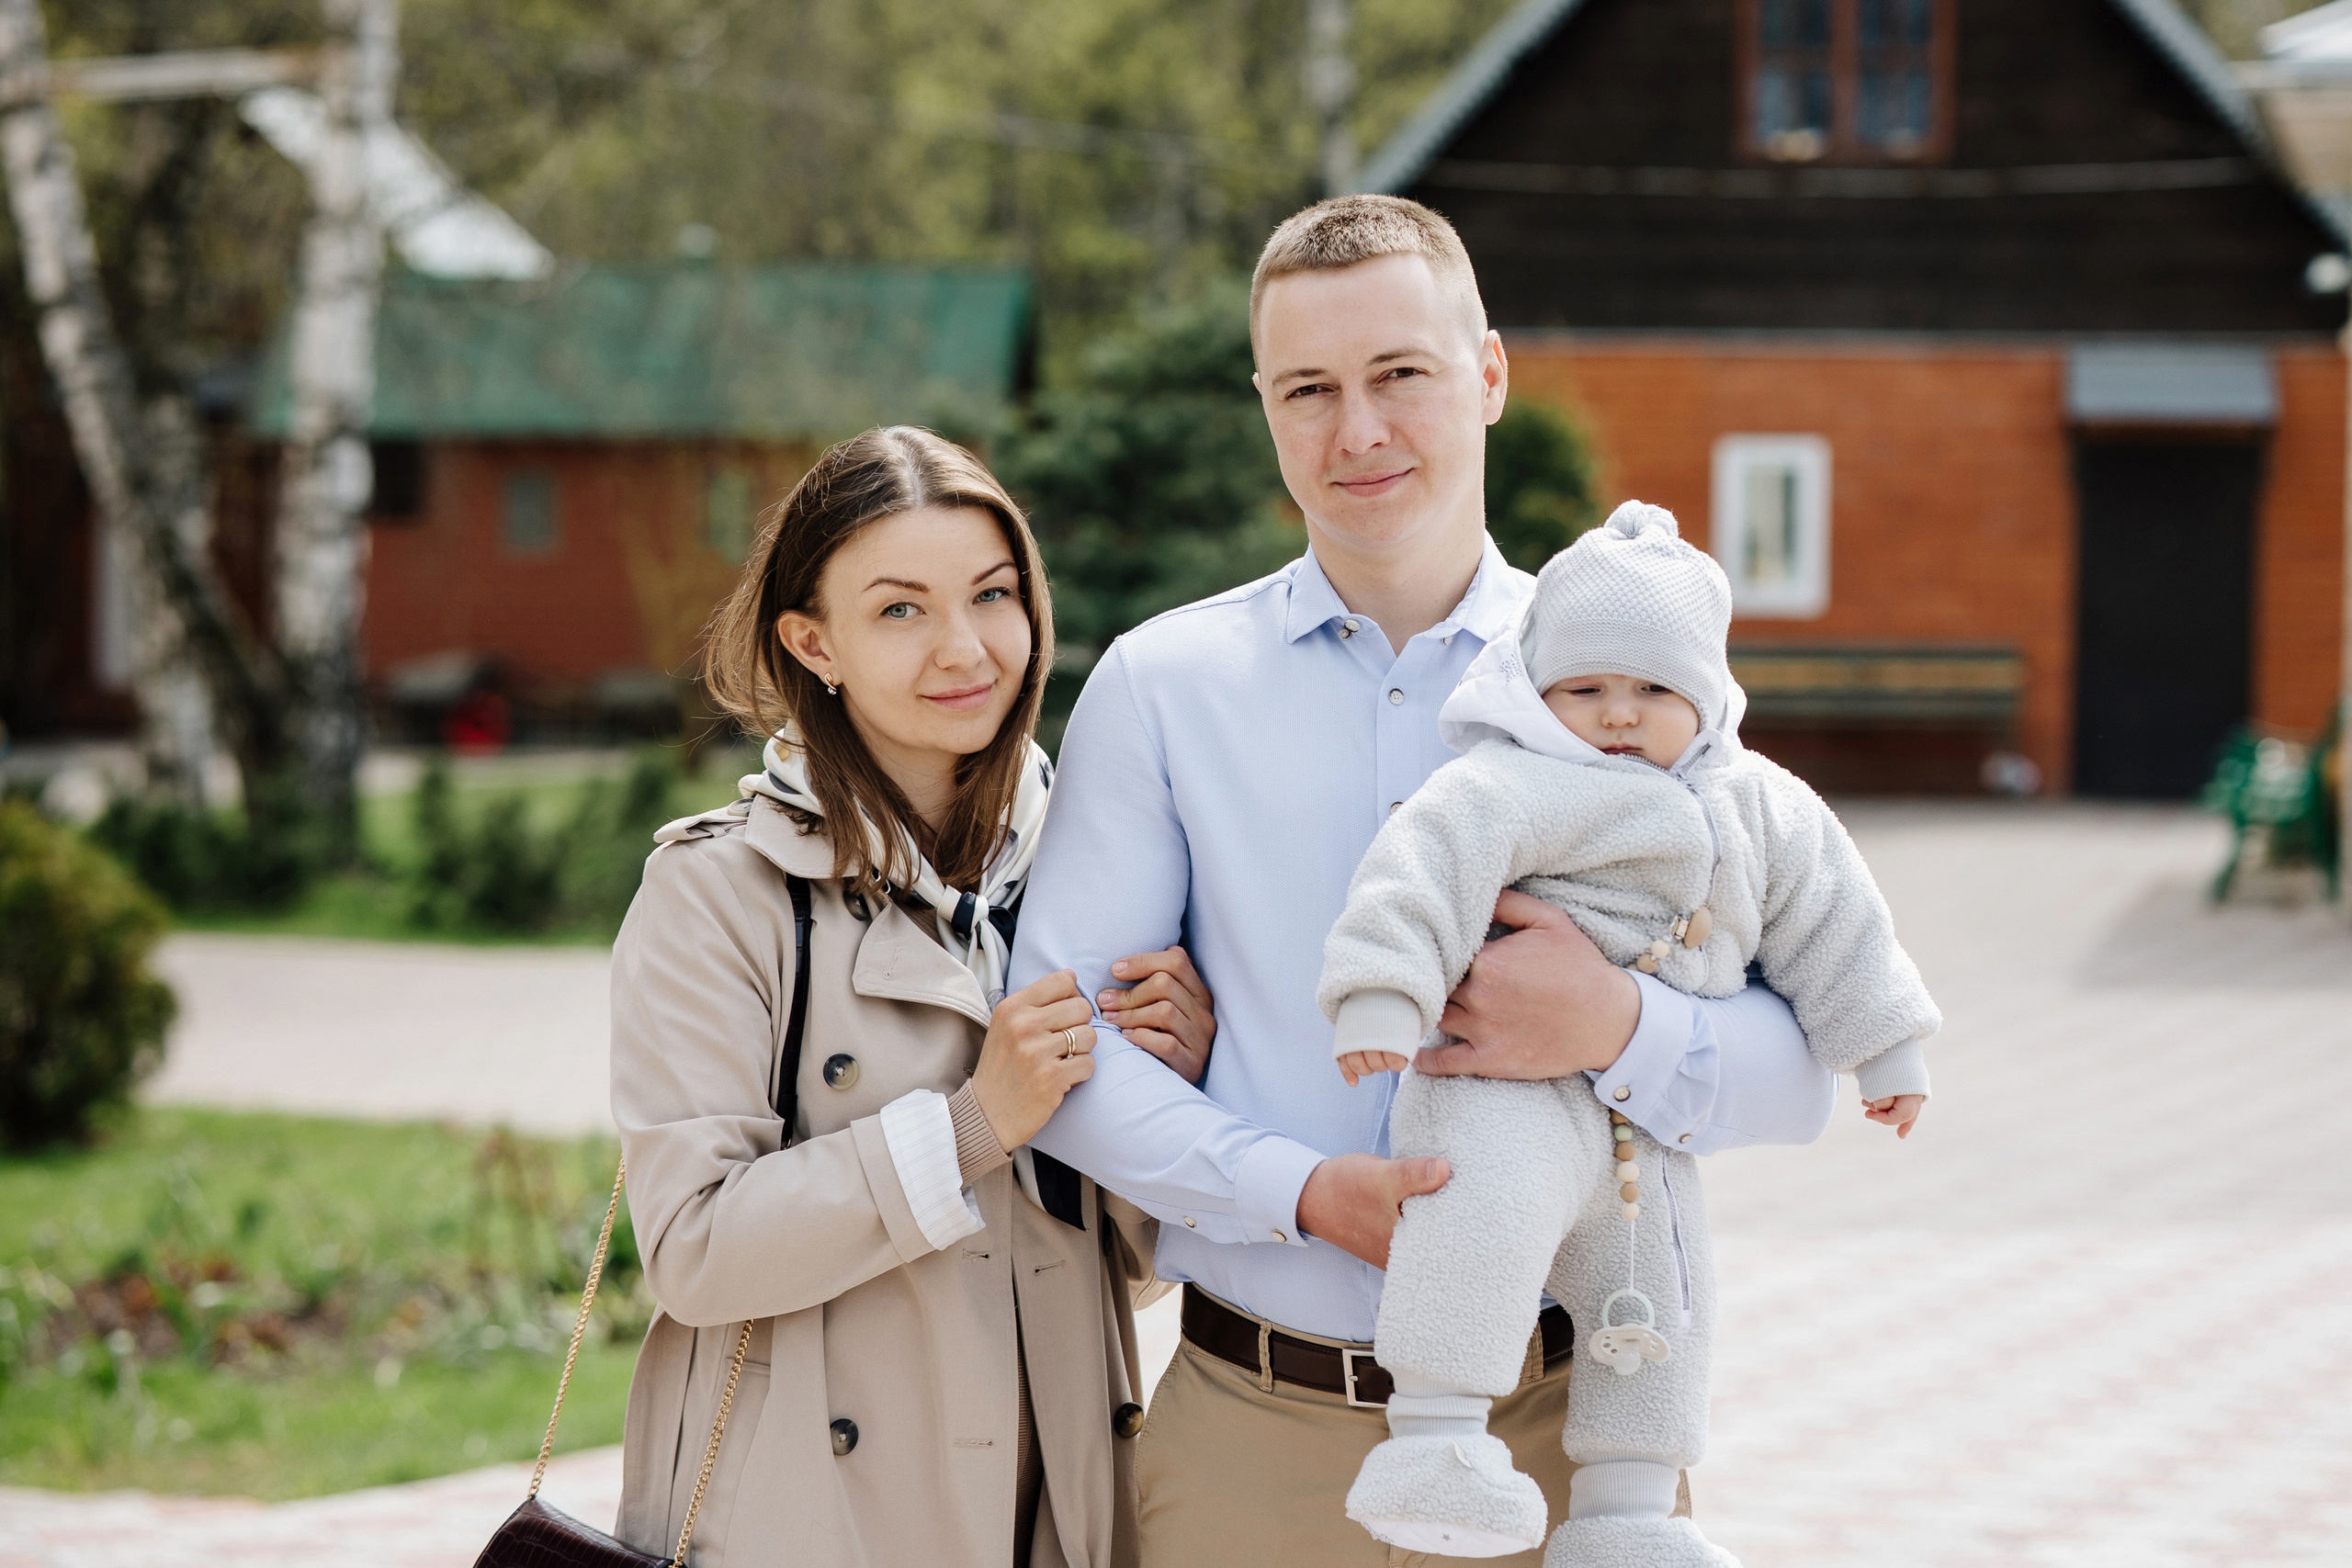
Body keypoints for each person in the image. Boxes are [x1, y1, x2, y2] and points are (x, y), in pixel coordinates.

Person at [1007, 195, 1843, 1566]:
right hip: (1249, 1442)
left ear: (1490, 377)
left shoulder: (1643, 686)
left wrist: (1616, 1027)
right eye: (1308, 389)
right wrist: (1299, 1186)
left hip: (1571, 1439)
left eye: (1401, 374)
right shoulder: (1164, 687)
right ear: (1266, 406)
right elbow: (1065, 1054)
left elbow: (1803, 1068)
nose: (1358, 431)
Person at [605, 426, 1219, 1568]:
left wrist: (1173, 1080)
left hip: (1056, 1496)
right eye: (899, 609)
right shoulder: (721, 895)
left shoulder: (1087, 872)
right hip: (814, 1518)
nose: (964, 648)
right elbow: (691, 1251)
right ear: (812, 640)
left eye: (992, 595)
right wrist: (973, 1127)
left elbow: (1119, 1270)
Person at [1321, 501, 1940, 1564]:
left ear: (1704, 696)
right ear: (1539, 693)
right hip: (1499, 1092)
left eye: (1653, 690)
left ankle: (1629, 1514)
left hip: (1638, 1132)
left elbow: (1839, 923)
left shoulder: (1762, 807)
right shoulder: (1509, 781)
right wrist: (1382, 991)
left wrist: (1883, 1046)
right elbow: (1417, 872)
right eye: (1585, 689)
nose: (1617, 714)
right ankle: (1433, 1439)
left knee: (1658, 1297)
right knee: (1478, 1225)